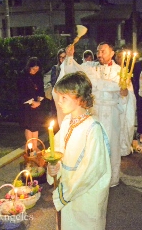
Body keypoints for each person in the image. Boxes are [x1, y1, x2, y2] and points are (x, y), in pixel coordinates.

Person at [54, 42, 135, 187]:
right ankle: (95, 178)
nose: (99, 54)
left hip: (112, 114)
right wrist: (70, 57)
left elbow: (127, 96)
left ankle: (111, 179)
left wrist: (124, 94)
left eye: (103, 51)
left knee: (112, 146)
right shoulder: (90, 67)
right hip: (95, 112)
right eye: (98, 51)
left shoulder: (121, 71)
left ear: (112, 52)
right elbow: (73, 70)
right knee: (95, 146)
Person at [47, 71, 111, 230]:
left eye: (64, 98)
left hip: (85, 194)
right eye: (59, 97)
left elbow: (92, 170)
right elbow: (57, 150)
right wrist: (54, 166)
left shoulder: (93, 129)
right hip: (69, 189)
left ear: (80, 99)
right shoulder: (67, 121)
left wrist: (65, 193)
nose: (59, 102)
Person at [17, 57, 45, 151]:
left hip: (36, 104)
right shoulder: (23, 76)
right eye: (33, 69)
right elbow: (21, 92)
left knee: (36, 125)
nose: (35, 71)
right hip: (27, 105)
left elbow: (41, 89)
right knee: (29, 125)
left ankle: (35, 146)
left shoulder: (39, 76)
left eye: (37, 69)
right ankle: (30, 147)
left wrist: (39, 101)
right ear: (29, 67)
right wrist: (32, 102)